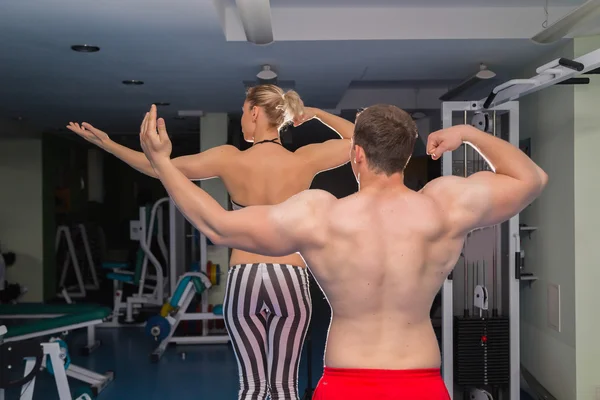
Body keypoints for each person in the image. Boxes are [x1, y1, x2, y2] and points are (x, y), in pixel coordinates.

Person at [139, 102, 548, 399]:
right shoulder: (444, 206)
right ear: (406, 155)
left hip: (344, 384)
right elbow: (531, 179)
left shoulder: (321, 216)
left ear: (356, 154)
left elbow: (217, 225)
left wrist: (162, 163)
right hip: (420, 382)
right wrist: (469, 134)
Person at [67, 85, 354, 400]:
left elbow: (159, 168)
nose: (242, 118)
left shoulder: (228, 158)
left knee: (253, 387)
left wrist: (108, 145)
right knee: (285, 387)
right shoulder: (304, 159)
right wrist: (316, 114)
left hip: (245, 276)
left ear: (255, 112)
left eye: (244, 111)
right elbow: (361, 141)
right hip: (290, 276)